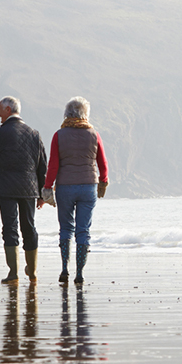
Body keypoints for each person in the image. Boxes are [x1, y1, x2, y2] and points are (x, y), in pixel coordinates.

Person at [0, 96, 47, 284]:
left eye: (0, 109)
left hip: (6, 187)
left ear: (8, 109)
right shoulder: (35, 134)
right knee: (29, 227)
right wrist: (43, 193)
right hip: (29, 188)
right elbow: (42, 165)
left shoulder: (1, 133)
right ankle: (32, 271)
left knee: (10, 228)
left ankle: (13, 273)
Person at [42, 96, 108, 285]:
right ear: (85, 114)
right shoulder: (94, 134)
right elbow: (102, 162)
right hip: (88, 186)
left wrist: (47, 187)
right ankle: (79, 273)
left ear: (66, 114)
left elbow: (53, 164)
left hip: (65, 187)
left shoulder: (59, 135)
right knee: (83, 230)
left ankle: (64, 268)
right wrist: (103, 182)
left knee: (65, 228)